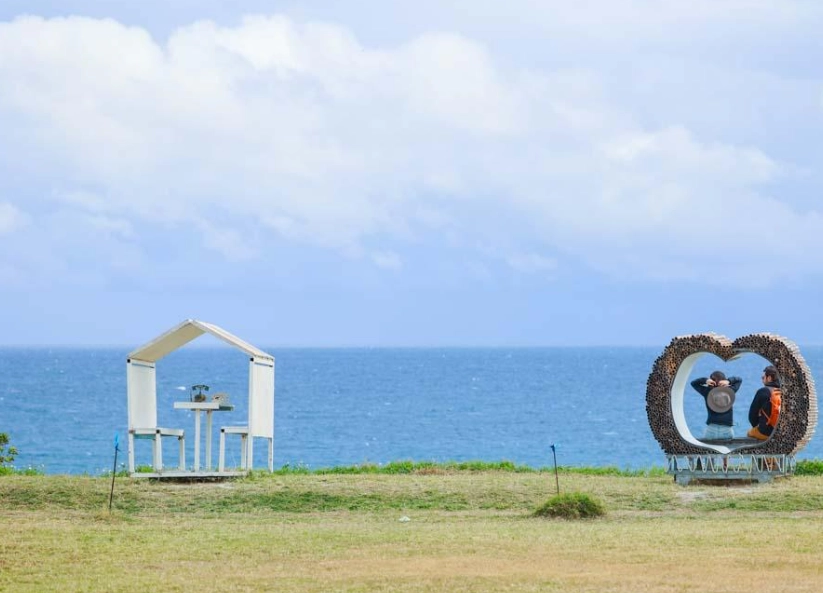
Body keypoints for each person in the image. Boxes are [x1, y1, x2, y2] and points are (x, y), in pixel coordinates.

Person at [690, 371, 741, 440]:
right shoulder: (730, 391)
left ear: (711, 381)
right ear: (724, 380)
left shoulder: (707, 392)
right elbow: (739, 380)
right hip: (726, 430)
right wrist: (729, 381)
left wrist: (705, 380)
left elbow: (693, 383)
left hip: (711, 429)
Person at [747, 365, 782, 441]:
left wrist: (756, 426)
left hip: (766, 432)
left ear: (769, 378)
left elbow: (752, 415)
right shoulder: (782, 391)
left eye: (763, 377)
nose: (762, 380)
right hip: (780, 432)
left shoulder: (763, 391)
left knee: (750, 433)